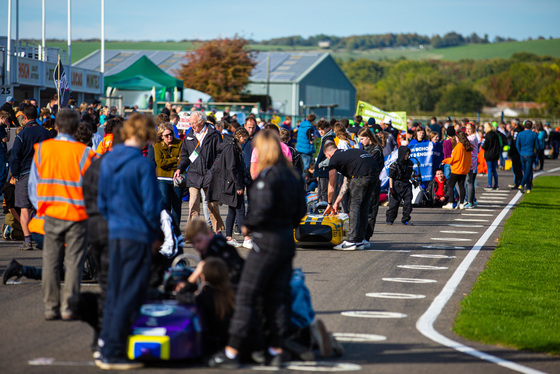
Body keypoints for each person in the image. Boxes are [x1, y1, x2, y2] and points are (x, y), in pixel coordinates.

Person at [209, 130, 306, 369]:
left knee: (246, 294)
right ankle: (277, 349)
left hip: (267, 241)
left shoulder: (267, 177)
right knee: (278, 297)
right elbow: (300, 211)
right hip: (285, 240)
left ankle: (231, 352)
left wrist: (247, 226)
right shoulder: (293, 176)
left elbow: (260, 210)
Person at [96, 113, 160, 370]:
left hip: (115, 232)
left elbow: (101, 202)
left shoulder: (109, 159)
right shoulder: (143, 164)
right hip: (137, 234)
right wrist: (154, 234)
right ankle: (113, 349)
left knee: (114, 290)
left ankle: (106, 344)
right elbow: (151, 206)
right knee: (129, 293)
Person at [28, 109, 97, 321]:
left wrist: (42, 208)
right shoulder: (85, 153)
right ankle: (69, 307)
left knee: (50, 261)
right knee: (74, 262)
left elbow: (33, 186)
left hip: (51, 214)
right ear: (77, 128)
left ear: (56, 126)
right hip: (77, 216)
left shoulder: (42, 150)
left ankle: (50, 307)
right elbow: (95, 189)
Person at [9, 104, 53, 250]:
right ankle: (43, 236)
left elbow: (15, 157)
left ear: (25, 117)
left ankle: (28, 240)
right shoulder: (46, 133)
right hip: (43, 174)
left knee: (24, 208)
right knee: (43, 208)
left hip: (25, 174)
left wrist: (15, 175)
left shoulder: (22, 134)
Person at [321, 142, 380, 250]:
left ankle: (351, 241)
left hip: (362, 174)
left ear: (328, 155)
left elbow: (331, 185)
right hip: (374, 172)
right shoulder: (349, 154)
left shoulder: (334, 158)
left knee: (355, 206)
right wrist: (337, 202)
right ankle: (361, 240)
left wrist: (329, 203)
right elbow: (347, 182)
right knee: (364, 206)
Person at [174, 111, 224, 233]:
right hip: (194, 174)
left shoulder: (214, 135)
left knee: (212, 205)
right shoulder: (189, 135)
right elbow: (185, 155)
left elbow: (220, 154)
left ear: (202, 122)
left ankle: (217, 231)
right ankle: (192, 232)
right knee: (193, 205)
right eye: (191, 124)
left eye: (194, 124)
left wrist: (214, 169)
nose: (192, 126)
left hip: (209, 173)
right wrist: (180, 168)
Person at [207, 127, 252, 249]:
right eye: (244, 139)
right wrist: (238, 185)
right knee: (240, 209)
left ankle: (228, 237)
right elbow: (232, 167)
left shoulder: (228, 145)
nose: (244, 141)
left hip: (228, 182)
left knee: (232, 210)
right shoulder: (232, 147)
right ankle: (246, 238)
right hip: (232, 183)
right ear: (240, 136)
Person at [357, 128, 384, 244]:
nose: (361, 142)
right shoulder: (362, 148)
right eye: (360, 140)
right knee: (361, 208)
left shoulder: (377, 150)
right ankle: (360, 234)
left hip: (372, 181)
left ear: (368, 137)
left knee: (371, 210)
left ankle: (366, 236)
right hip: (362, 180)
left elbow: (368, 164)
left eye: (362, 139)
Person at [154, 123, 183, 224]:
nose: (169, 137)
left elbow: (182, 160)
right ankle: (165, 228)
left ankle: (175, 231)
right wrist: (175, 159)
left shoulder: (179, 143)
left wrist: (171, 161)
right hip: (163, 178)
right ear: (161, 136)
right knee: (165, 204)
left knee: (176, 206)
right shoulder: (157, 145)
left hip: (177, 178)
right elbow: (160, 163)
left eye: (171, 134)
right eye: (166, 135)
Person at [442, 131, 473, 210]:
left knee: (450, 185)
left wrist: (445, 161)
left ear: (459, 138)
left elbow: (454, 159)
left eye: (456, 138)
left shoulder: (459, 146)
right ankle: (462, 203)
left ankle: (451, 203)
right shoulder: (467, 147)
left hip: (457, 169)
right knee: (461, 186)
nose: (455, 139)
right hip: (464, 169)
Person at [386, 146, 414, 224]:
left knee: (408, 203)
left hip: (406, 184)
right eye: (405, 154)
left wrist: (413, 180)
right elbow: (391, 177)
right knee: (394, 204)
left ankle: (406, 219)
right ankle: (390, 219)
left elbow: (410, 174)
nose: (407, 156)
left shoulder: (410, 163)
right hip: (397, 185)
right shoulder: (394, 165)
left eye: (408, 154)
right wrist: (391, 188)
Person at [313, 120, 335, 202]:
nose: (320, 131)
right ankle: (322, 209)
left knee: (324, 192)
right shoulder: (325, 139)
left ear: (327, 128)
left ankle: (325, 208)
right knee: (321, 191)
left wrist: (321, 164)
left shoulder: (328, 140)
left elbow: (331, 156)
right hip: (322, 170)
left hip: (324, 169)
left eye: (322, 129)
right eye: (318, 129)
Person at [516, 120, 539, 193]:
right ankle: (522, 184)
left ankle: (528, 188)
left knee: (526, 170)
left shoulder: (520, 134)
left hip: (522, 154)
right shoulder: (534, 134)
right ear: (531, 126)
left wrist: (520, 152)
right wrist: (536, 153)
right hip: (530, 153)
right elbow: (537, 146)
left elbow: (517, 145)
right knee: (528, 171)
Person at [2, 175, 23, 240]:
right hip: (12, 216)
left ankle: (11, 229)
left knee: (25, 230)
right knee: (26, 233)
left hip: (14, 215)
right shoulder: (10, 189)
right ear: (13, 178)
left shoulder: (12, 187)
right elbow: (11, 208)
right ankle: (9, 230)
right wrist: (20, 220)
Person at [481, 122, 500, 191]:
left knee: (489, 170)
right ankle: (496, 184)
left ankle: (490, 185)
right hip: (495, 154)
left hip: (489, 154)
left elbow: (484, 146)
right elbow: (498, 145)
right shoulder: (496, 135)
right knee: (494, 170)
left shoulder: (486, 136)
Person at [464, 123, 479, 209]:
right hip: (472, 161)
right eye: (466, 129)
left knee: (469, 182)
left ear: (473, 129)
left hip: (470, 161)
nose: (467, 130)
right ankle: (471, 199)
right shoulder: (473, 137)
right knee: (470, 182)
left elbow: (465, 142)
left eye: (469, 129)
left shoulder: (472, 137)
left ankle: (470, 201)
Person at [508, 118, 524, 189]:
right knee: (517, 169)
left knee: (516, 169)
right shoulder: (520, 130)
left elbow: (514, 142)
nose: (511, 125)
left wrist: (511, 151)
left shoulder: (517, 131)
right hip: (517, 152)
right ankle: (519, 182)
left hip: (516, 152)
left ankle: (518, 183)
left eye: (512, 123)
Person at [0, 111, 11, 184]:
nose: (7, 121)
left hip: (3, 151)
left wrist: (8, 128)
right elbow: (4, 139)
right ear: (1, 118)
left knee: (4, 170)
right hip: (1, 151)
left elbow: (8, 139)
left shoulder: (2, 127)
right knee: (2, 170)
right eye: (6, 119)